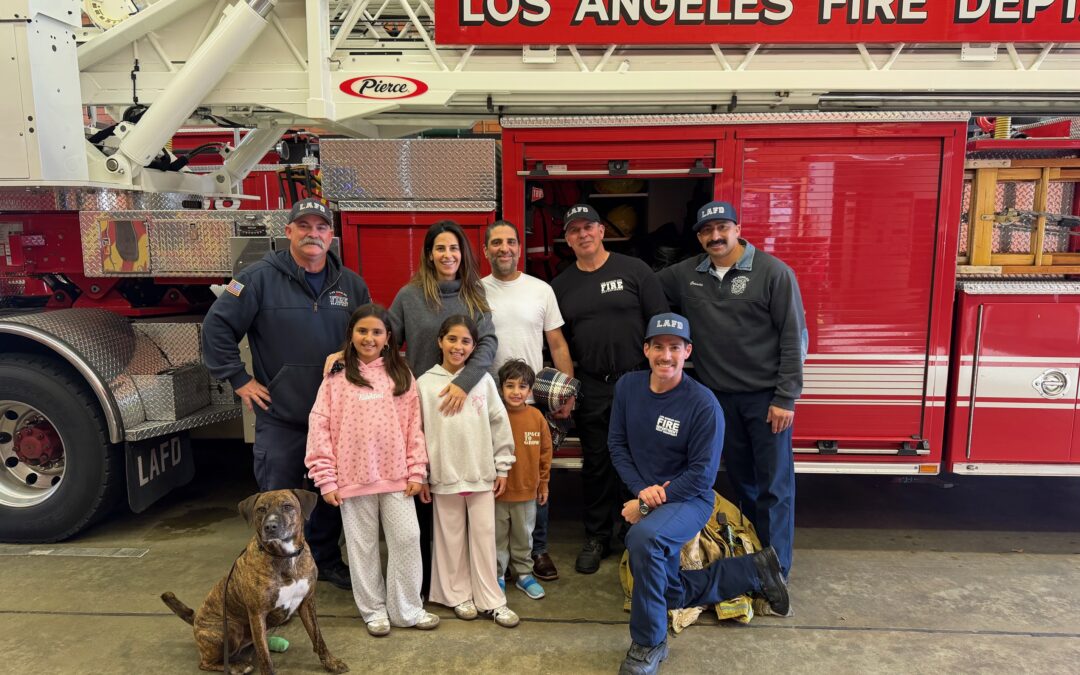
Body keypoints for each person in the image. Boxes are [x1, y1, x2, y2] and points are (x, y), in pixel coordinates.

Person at [203, 197, 370, 591]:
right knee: (275, 501)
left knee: (327, 495)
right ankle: (272, 573)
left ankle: (325, 561)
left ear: (331, 235)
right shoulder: (258, 278)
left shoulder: (351, 284)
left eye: (321, 227)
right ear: (290, 231)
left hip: (334, 418)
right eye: (305, 226)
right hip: (282, 416)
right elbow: (217, 328)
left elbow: (369, 338)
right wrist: (239, 378)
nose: (313, 234)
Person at [325, 219, 498, 598]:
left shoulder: (475, 294)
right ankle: (419, 586)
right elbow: (384, 338)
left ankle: (466, 584)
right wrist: (347, 352)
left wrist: (463, 384)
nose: (447, 255)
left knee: (462, 498)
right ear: (429, 254)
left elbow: (486, 345)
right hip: (416, 405)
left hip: (461, 404)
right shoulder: (410, 295)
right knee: (421, 494)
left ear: (463, 254)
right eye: (440, 248)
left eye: (454, 248)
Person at [609, 313, 789, 675]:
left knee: (642, 539)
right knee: (663, 585)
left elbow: (701, 476)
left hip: (690, 499)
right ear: (646, 350)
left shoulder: (703, 403)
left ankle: (649, 643)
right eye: (657, 346)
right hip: (651, 497)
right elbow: (617, 445)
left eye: (674, 348)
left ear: (687, 351)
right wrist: (641, 492)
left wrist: (645, 503)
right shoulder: (628, 387)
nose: (665, 356)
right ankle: (754, 571)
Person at [656, 201, 806, 583]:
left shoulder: (774, 273)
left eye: (722, 228)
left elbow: (795, 338)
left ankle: (776, 573)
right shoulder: (687, 274)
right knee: (743, 483)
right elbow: (644, 283)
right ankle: (753, 556)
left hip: (765, 399)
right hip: (719, 400)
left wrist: (785, 397)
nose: (715, 236)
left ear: (738, 229)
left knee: (775, 488)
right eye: (706, 231)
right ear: (699, 237)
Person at [304, 304, 440, 637]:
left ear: (388, 338)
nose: (369, 337)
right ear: (351, 335)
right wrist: (326, 479)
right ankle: (374, 610)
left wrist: (416, 471)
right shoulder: (335, 378)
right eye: (362, 331)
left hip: (396, 478)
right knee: (361, 547)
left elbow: (414, 427)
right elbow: (319, 426)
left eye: (377, 332)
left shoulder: (401, 374)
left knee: (407, 538)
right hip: (352, 480)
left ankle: (406, 608)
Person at [549, 204, 668, 575]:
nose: (582, 234)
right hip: (593, 386)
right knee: (597, 464)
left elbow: (661, 325)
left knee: (640, 462)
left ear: (602, 231)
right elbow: (559, 344)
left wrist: (659, 378)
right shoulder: (561, 285)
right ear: (567, 239)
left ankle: (636, 534)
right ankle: (598, 536)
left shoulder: (635, 271)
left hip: (637, 382)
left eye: (588, 227)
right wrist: (567, 387)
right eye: (574, 230)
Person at [481, 219, 573, 581]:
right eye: (496, 243)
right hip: (488, 402)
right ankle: (494, 556)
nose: (504, 248)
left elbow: (558, 344)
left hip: (531, 401)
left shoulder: (540, 290)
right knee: (496, 479)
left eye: (510, 242)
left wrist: (568, 393)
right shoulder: (474, 290)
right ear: (486, 250)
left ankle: (537, 551)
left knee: (533, 476)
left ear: (520, 248)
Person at [417, 315, 519, 628]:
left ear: (474, 346)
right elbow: (416, 433)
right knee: (449, 541)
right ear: (440, 341)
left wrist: (503, 466)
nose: (458, 346)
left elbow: (499, 424)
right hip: (444, 477)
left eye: (465, 341)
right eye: (452, 339)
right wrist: (420, 474)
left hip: (480, 475)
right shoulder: (423, 384)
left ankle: (492, 600)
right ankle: (457, 596)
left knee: (485, 540)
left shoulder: (483, 381)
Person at [493, 359, 553, 600]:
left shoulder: (537, 417)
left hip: (527, 492)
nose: (516, 392)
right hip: (497, 493)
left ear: (530, 390)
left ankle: (524, 574)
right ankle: (497, 574)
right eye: (510, 386)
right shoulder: (495, 416)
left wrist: (544, 482)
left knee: (523, 536)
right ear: (501, 388)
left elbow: (545, 453)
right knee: (496, 538)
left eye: (522, 387)